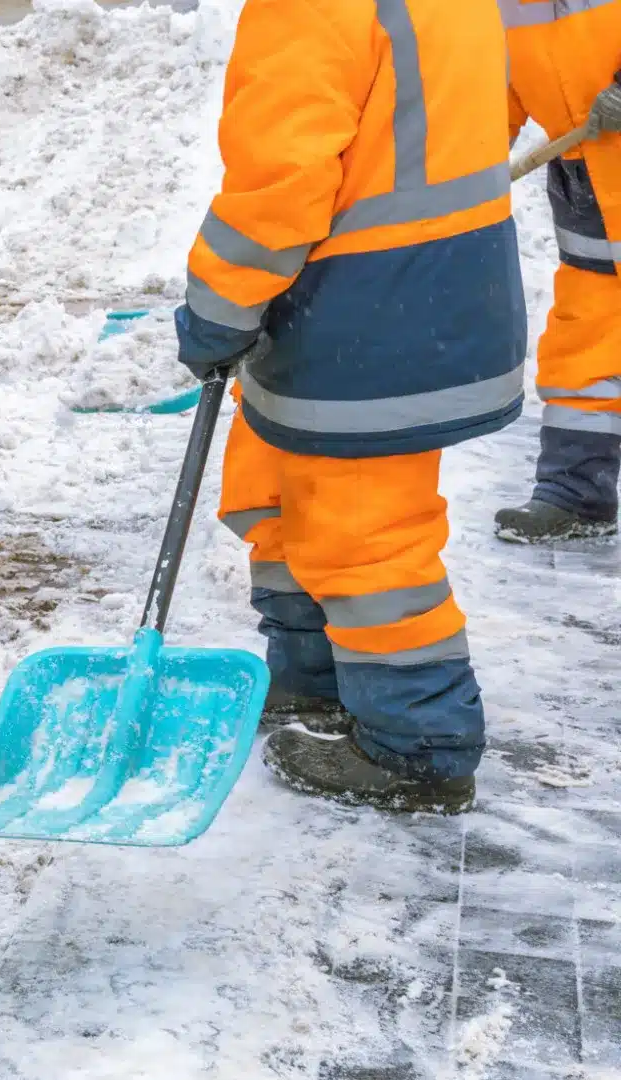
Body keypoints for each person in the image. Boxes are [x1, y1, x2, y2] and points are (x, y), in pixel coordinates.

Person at [174, 0, 525, 813]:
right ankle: (312, 675)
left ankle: (418, 748)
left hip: (374, 308)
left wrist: (216, 311)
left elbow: (279, 183)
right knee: (276, 482)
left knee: (365, 537)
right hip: (389, 302)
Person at [495, 14, 621, 544]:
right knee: (584, 341)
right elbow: (488, 93)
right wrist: (456, 171)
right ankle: (575, 494)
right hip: (586, 183)